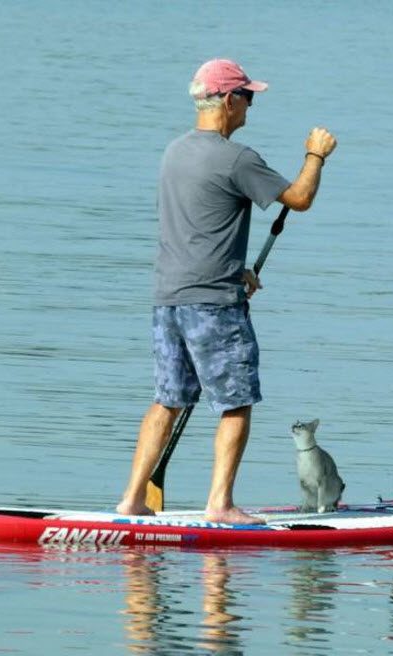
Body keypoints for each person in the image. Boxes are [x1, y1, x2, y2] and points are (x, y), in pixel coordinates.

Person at [116, 58, 337, 523]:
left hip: (169, 298)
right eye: (248, 98)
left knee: (167, 400)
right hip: (213, 305)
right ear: (229, 100)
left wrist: (236, 269)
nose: (250, 109)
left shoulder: (174, 151)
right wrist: (315, 155)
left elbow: (199, 222)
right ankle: (220, 504)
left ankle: (131, 500)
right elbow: (300, 198)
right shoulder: (237, 158)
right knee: (237, 401)